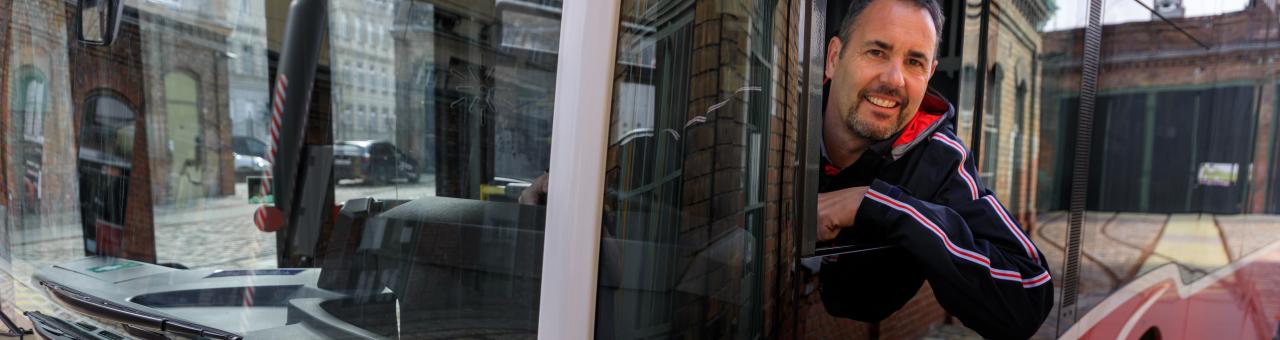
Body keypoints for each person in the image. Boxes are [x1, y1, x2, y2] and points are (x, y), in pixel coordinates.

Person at [813, 0, 1053, 338]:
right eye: (876, 52)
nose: (894, 79)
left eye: (914, 62)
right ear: (834, 57)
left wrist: (881, 206)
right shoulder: (777, 115)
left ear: (930, 73)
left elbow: (1031, 294)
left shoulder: (939, 159)